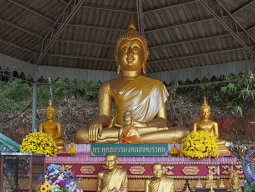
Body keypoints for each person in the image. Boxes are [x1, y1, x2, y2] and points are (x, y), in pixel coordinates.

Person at [76, 15, 189, 144]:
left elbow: (162, 121)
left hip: (143, 130)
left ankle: (131, 139)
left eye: (135, 48)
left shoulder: (156, 86)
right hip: (119, 130)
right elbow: (105, 117)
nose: (130, 53)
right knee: (82, 134)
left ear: (145, 56)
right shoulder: (107, 86)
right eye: (124, 49)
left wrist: (143, 126)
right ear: (116, 57)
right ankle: (133, 139)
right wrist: (99, 121)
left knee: (182, 132)